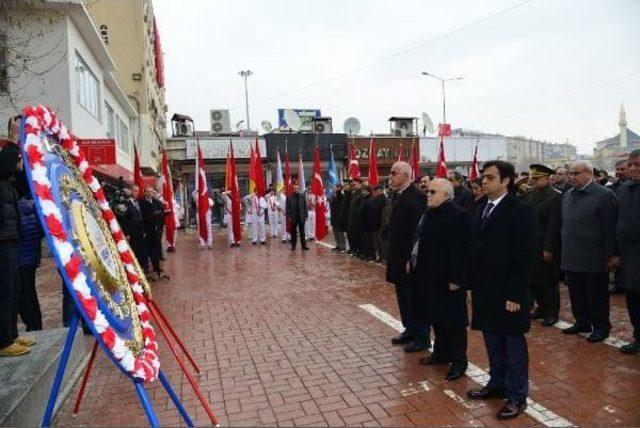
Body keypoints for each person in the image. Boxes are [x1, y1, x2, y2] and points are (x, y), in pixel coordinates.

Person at [466, 160, 536, 421]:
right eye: (483, 177)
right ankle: (497, 384)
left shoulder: (520, 210)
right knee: (492, 341)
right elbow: (475, 250)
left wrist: (516, 295)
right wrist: (472, 286)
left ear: (506, 180)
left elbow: (525, 256)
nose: (483, 181)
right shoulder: (481, 207)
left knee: (513, 345)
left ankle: (517, 395)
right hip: (485, 291)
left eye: (490, 177)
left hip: (508, 292)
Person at [412, 178, 470, 380]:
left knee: (454, 321)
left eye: (432, 192)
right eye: (428, 191)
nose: (428, 195)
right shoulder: (430, 213)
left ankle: (459, 361)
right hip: (430, 276)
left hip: (449, 279)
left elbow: (460, 251)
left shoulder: (458, 215)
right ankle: (440, 353)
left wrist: (456, 278)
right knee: (436, 317)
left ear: (446, 195)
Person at [561, 160, 618, 342]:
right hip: (572, 254)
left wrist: (611, 255)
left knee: (596, 295)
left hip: (594, 255)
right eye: (570, 174)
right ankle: (582, 321)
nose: (572, 177)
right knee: (576, 293)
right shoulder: (568, 195)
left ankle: (601, 327)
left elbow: (610, 228)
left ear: (589, 173)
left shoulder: (604, 195)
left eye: (576, 174)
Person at [0, 115, 36, 356]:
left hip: (11, 232)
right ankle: (3, 341)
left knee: (13, 287)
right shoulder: (5, 157)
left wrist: (21, 168)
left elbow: (23, 190)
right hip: (2, 234)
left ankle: (11, 334)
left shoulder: (9, 159)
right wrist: (13, 141)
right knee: (4, 287)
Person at [386, 161, 429, 353]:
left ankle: (422, 336)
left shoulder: (417, 197)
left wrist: (410, 259)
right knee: (403, 296)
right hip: (397, 255)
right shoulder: (398, 195)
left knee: (414, 297)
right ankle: (409, 329)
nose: (391, 177)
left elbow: (417, 231)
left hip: (408, 258)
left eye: (394, 173)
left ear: (405, 175)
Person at [525, 164, 562, 327]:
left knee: (548, 282)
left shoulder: (555, 196)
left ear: (547, 179)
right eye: (532, 179)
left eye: (536, 179)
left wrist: (549, 248)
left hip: (545, 245)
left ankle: (551, 312)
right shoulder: (531, 195)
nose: (533, 181)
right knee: (534, 280)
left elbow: (553, 226)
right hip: (531, 245)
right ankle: (541, 308)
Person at [614, 150, 640, 354]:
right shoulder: (624, 190)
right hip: (630, 257)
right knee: (633, 301)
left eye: (636, 164)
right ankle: (638, 338)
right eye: (630, 165)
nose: (632, 169)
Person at [17, 195, 44, 332]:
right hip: (31, 257)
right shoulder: (31, 207)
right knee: (30, 292)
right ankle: (36, 325)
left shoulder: (14, 210)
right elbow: (41, 230)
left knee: (22, 295)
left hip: (19, 259)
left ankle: (33, 326)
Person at [140, 186, 166, 280]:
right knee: (147, 249)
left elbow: (161, 214)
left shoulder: (156, 202)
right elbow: (141, 217)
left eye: (151, 192)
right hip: (147, 230)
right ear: (145, 192)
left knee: (155, 249)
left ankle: (157, 267)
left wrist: (160, 226)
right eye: (148, 192)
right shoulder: (141, 202)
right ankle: (146, 267)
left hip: (156, 229)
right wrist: (152, 215)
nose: (150, 193)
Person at [122, 185, 147, 269]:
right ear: (131, 191)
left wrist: (143, 230)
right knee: (134, 250)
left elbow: (140, 217)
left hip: (139, 230)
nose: (137, 193)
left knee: (140, 249)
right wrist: (127, 233)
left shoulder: (137, 202)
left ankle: (140, 267)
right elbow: (124, 219)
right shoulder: (126, 203)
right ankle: (134, 268)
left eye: (138, 191)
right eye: (135, 191)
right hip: (131, 231)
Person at [347, 178, 367, 256]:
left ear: (359, 183)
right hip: (353, 219)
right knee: (354, 235)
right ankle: (358, 250)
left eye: (354, 184)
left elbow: (361, 207)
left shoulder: (362, 193)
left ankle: (362, 251)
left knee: (359, 237)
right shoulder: (355, 193)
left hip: (359, 219)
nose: (353, 185)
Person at [286, 184, 309, 251]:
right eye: (295, 188)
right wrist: (289, 216)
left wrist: (306, 215)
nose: (296, 189)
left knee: (302, 232)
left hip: (301, 217)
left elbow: (305, 206)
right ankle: (293, 246)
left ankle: (304, 246)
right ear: (293, 189)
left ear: (298, 189)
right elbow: (288, 208)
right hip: (293, 217)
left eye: (297, 188)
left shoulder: (302, 196)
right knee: (293, 233)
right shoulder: (289, 197)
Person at [329, 184, 346, 251]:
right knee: (335, 233)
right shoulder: (334, 196)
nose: (334, 188)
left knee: (340, 233)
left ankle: (343, 247)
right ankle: (338, 245)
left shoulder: (341, 196)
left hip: (339, 217)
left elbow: (339, 198)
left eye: (335, 188)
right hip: (334, 217)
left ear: (339, 188)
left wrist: (339, 190)